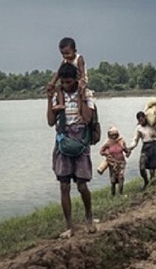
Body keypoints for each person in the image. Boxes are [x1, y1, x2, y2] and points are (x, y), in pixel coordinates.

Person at [46, 62, 96, 239]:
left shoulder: (86, 93)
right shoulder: (58, 94)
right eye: (63, 82)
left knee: (82, 185)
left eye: (69, 82)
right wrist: (49, 98)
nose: (66, 86)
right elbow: (51, 122)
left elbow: (88, 118)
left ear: (76, 80)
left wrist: (81, 95)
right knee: (64, 185)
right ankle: (69, 226)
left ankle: (89, 217)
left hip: (81, 139)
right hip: (63, 139)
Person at [47, 37, 88, 111]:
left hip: (79, 80)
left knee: (79, 92)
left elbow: (82, 71)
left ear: (75, 51)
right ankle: (61, 104)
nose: (66, 56)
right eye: (63, 54)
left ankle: (79, 110)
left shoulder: (79, 58)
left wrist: (82, 80)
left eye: (68, 53)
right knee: (59, 88)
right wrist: (52, 83)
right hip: (69, 81)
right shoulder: (65, 61)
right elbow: (58, 73)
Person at [127, 111, 156, 190]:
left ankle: (152, 183)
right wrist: (130, 148)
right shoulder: (139, 128)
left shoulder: (152, 124)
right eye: (139, 121)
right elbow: (135, 140)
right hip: (145, 147)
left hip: (154, 145)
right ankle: (146, 181)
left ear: (145, 118)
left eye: (142, 120)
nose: (141, 122)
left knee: (152, 168)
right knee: (142, 167)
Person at [98, 126, 130, 196]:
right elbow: (101, 151)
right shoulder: (108, 143)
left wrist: (128, 152)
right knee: (113, 180)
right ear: (109, 135)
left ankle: (120, 194)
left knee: (121, 177)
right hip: (112, 164)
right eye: (112, 135)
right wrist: (106, 154)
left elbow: (126, 150)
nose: (114, 136)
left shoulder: (121, 141)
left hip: (121, 162)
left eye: (115, 134)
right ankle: (113, 194)